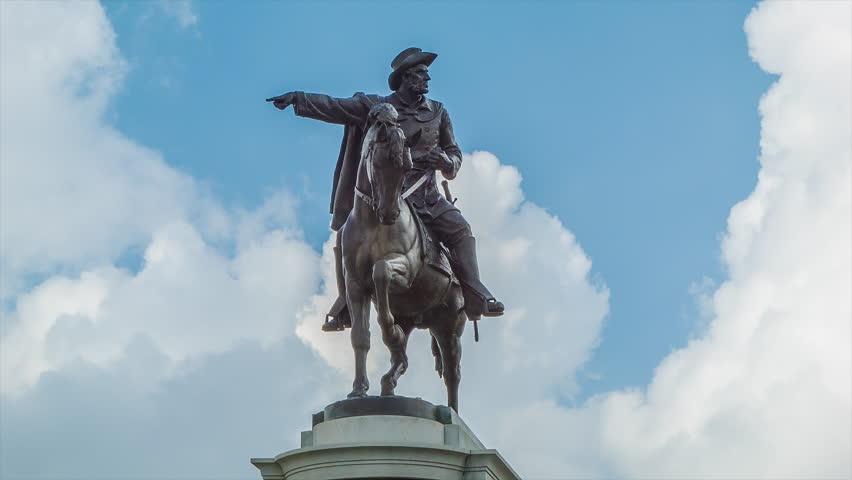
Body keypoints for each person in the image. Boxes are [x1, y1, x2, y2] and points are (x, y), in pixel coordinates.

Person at [267, 47, 503, 331]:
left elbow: (454, 153)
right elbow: (336, 107)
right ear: (405, 78)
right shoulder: (376, 107)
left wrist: (446, 161)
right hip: (386, 196)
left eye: (427, 75)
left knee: (461, 230)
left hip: (426, 196)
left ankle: (475, 294)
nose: (427, 80)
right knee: (345, 236)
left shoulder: (438, 112)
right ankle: (344, 306)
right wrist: (299, 99)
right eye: (420, 75)